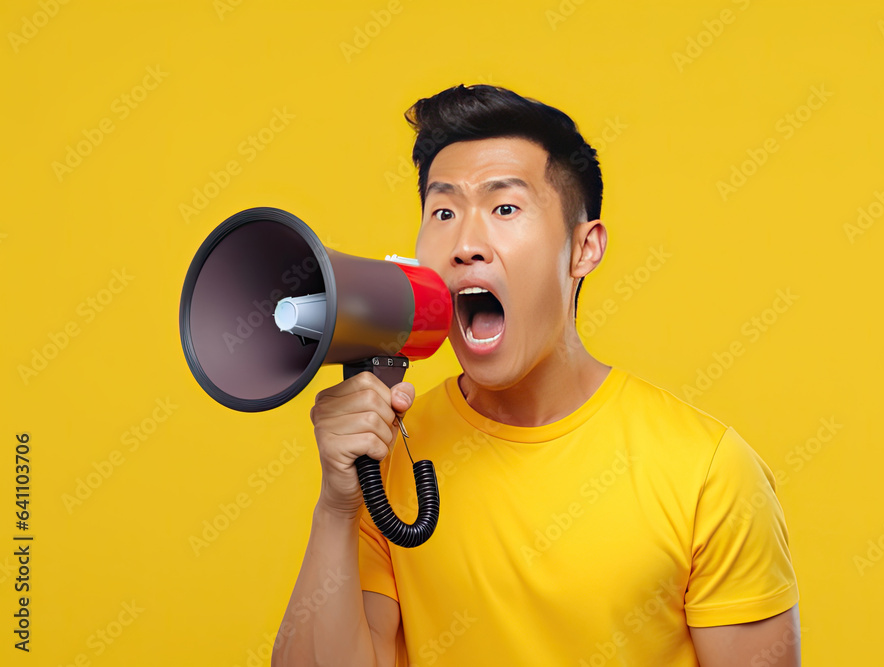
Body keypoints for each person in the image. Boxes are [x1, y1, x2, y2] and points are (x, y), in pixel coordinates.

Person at [271, 84, 800, 667]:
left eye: (504, 208)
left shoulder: (709, 473)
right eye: (443, 212)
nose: (466, 243)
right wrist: (336, 506)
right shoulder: (391, 452)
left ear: (584, 250)